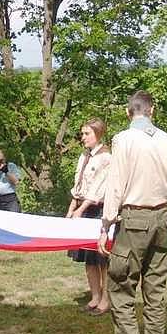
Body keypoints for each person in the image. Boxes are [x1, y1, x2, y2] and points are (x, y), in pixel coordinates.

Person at [98, 90, 167, 334]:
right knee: (155, 292)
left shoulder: (124, 140)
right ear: (151, 111)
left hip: (134, 219)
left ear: (129, 111)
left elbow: (116, 183)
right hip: (162, 218)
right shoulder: (166, 139)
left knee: (121, 288)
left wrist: (105, 224)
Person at [66, 119, 112, 316]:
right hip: (82, 208)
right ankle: (94, 295)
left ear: (98, 134)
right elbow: (79, 184)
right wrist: (72, 207)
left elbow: (98, 189)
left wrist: (81, 208)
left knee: (102, 257)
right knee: (88, 257)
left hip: (99, 210)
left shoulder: (106, 157)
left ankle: (106, 299)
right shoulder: (84, 156)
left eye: (87, 134)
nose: (83, 138)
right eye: (82, 134)